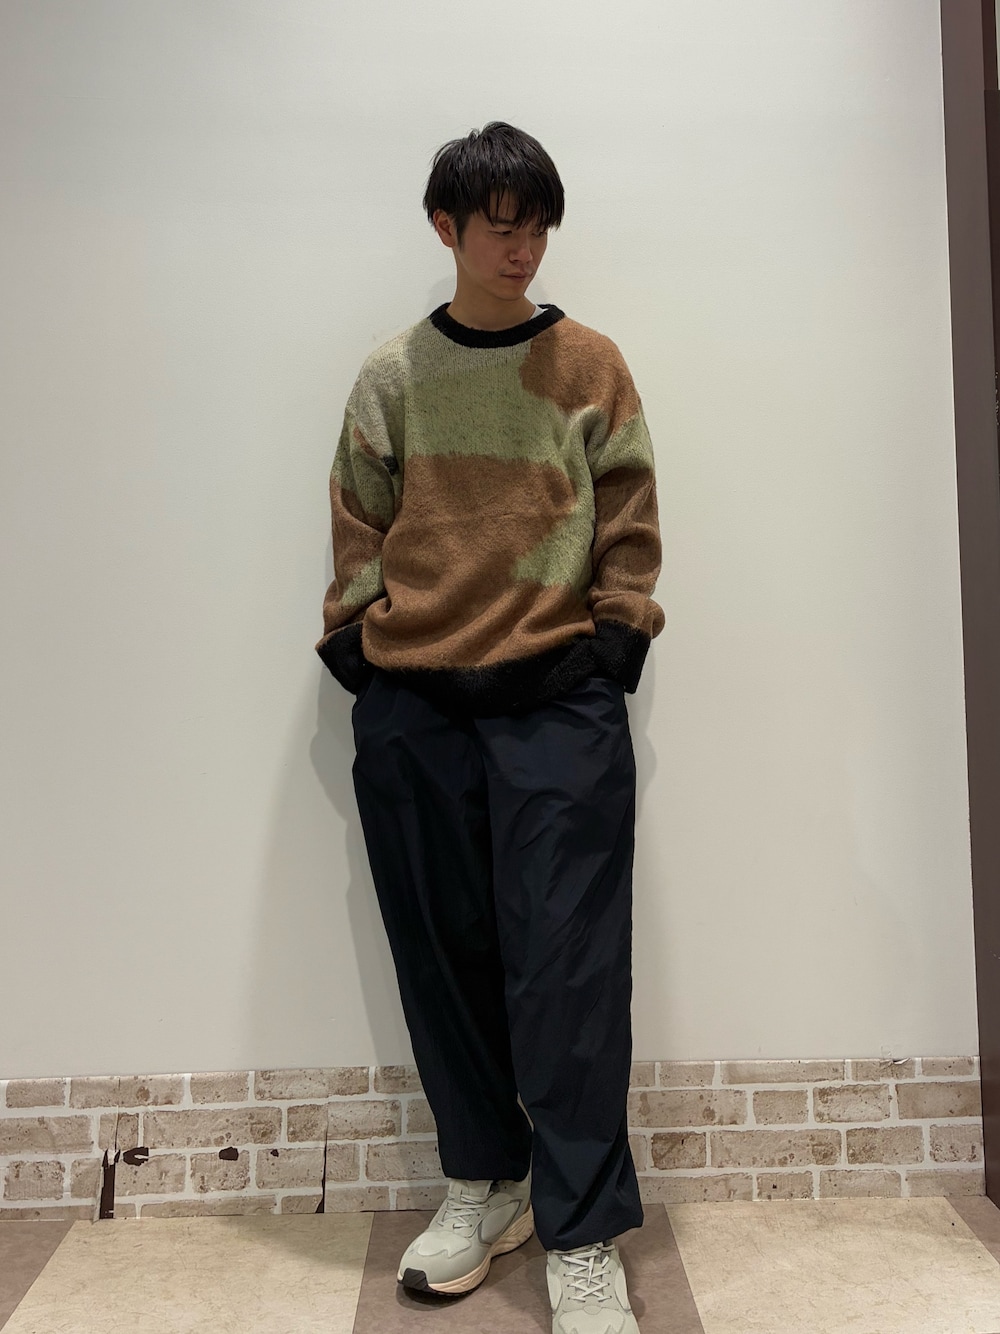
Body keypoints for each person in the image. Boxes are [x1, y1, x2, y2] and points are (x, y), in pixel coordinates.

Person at [316, 120, 662, 1334]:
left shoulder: (589, 364)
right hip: (417, 703)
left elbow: (630, 510)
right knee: (442, 956)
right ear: (446, 227)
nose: (522, 249)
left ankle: (581, 1231)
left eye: (537, 227)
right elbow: (356, 519)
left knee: (569, 969)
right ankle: (484, 1179)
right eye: (500, 226)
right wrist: (359, 650)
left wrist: (615, 638)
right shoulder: (393, 375)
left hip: (558, 697)